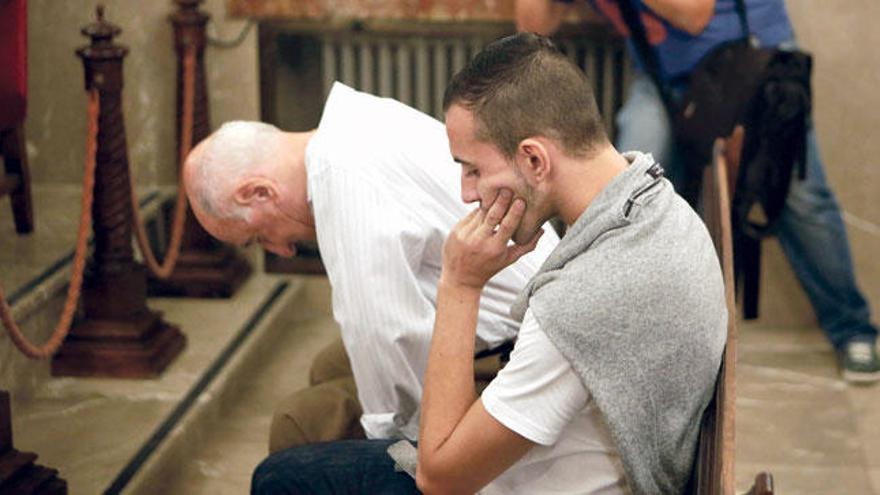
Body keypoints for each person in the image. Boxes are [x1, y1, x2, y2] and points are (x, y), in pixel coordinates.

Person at [252, 32, 726, 495]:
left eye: (473, 169)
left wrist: (460, 284)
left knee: (281, 478)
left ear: (534, 160)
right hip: (600, 454)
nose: (465, 193)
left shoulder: (580, 303)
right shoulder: (655, 198)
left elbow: (439, 479)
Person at [516, 0, 880, 383]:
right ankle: (607, 338)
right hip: (665, 75)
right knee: (623, 190)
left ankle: (852, 328)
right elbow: (533, 26)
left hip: (752, 58)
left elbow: (694, 14)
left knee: (801, 198)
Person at [183, 83, 559, 451]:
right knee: (329, 365)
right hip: (526, 314)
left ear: (259, 191)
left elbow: (387, 337)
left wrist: (393, 455)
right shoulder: (353, 122)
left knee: (298, 421)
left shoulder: (345, 183)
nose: (281, 249)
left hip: (523, 354)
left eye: (259, 237)